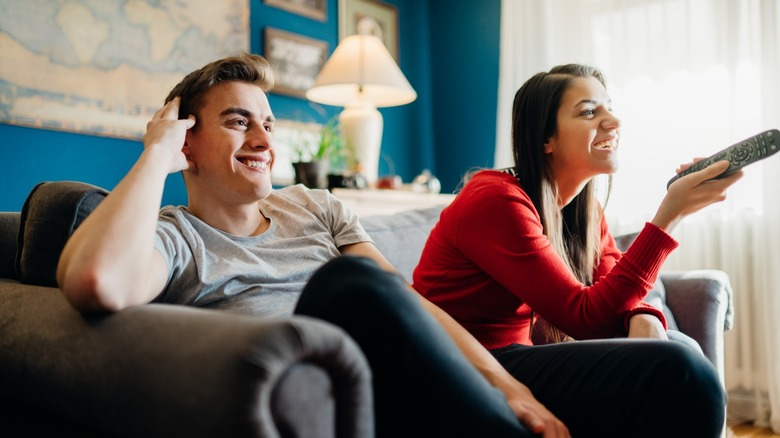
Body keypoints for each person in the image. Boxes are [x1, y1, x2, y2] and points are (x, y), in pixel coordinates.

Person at [56, 53, 572, 437]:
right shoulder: (175, 238)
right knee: (355, 283)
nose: (263, 140)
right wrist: (156, 153)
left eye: (268, 124)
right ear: (186, 140)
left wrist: (508, 385)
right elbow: (96, 281)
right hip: (333, 398)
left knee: (650, 372)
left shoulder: (313, 206)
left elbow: (409, 308)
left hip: (404, 373)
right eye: (239, 122)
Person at [412, 63, 738, 437]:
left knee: (680, 348)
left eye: (609, 107)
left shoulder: (581, 207)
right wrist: (668, 216)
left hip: (516, 358)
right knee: (680, 367)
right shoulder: (495, 201)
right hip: (463, 367)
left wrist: (644, 313)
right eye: (589, 111)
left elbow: (613, 271)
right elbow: (584, 319)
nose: (613, 121)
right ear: (545, 140)